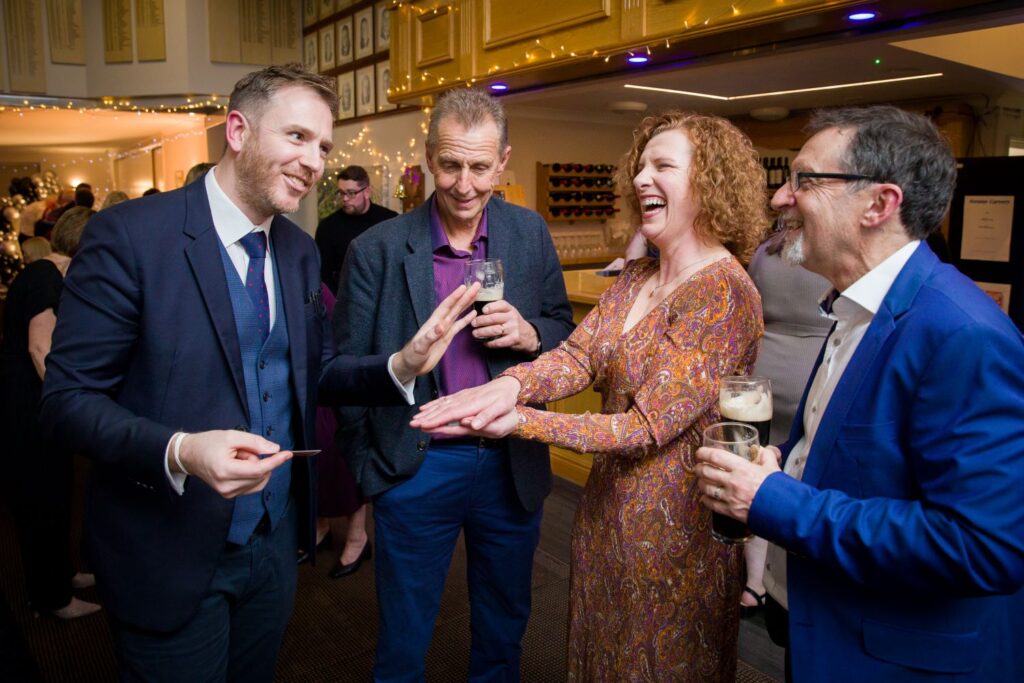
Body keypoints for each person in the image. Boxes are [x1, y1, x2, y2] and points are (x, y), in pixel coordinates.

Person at [40, 64, 480, 681]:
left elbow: (314, 373)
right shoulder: (131, 237)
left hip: (274, 546)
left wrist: (401, 365)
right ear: (239, 130)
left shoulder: (298, 252)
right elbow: (66, 402)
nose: (314, 161)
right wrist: (182, 450)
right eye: (296, 137)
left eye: (323, 146)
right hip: (169, 547)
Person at [413, 111, 768, 680]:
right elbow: (577, 357)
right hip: (606, 513)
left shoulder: (724, 295)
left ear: (709, 184)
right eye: (641, 166)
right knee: (597, 653)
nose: (641, 179)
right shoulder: (636, 277)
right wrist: (510, 383)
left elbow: (641, 428)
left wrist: (517, 420)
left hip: (673, 531)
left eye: (663, 166)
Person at [695, 106, 1024, 683]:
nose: (779, 200)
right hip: (831, 624)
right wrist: (789, 474)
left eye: (803, 180)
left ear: (879, 204)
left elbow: (984, 546)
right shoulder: (853, 306)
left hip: (902, 658)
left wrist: (774, 499)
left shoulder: (963, 334)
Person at [334, 87, 575, 681]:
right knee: (403, 638)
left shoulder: (528, 233)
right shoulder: (376, 250)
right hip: (415, 467)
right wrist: (372, 473)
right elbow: (341, 371)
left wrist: (530, 333)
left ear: (502, 161)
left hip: (508, 462)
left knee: (503, 630)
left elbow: (564, 331)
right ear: (426, 158)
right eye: (450, 164)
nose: (465, 184)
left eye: (480, 166)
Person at [0, 207, 99, 620]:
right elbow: (40, 348)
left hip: (35, 406)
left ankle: (63, 574)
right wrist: (67, 402)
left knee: (57, 493)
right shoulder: (44, 276)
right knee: (41, 499)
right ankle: (52, 598)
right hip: (28, 410)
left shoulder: (50, 274)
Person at [738, 232, 832, 619]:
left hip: (762, 380)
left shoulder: (763, 252)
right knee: (802, 477)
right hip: (814, 373)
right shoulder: (827, 251)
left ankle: (754, 583)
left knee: (758, 471)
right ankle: (789, 580)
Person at [315, 165, 397, 295]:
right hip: (344, 299)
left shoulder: (390, 220)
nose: (345, 199)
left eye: (351, 193)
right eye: (341, 193)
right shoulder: (328, 227)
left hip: (385, 296)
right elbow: (323, 274)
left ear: (367, 192)